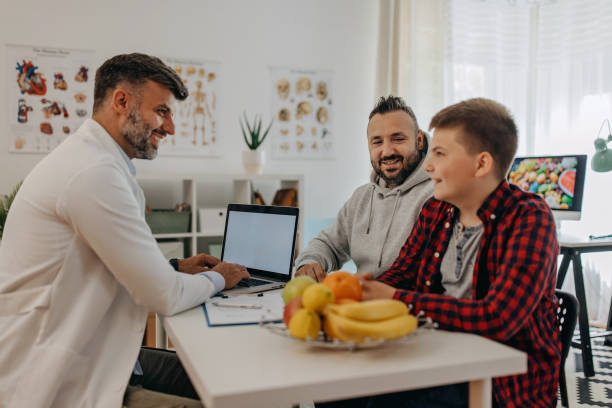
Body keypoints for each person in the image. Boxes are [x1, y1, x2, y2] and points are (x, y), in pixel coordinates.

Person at [0, 53, 250, 408]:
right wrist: (220, 278)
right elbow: (163, 297)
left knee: (225, 379)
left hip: (104, 355)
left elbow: (108, 265)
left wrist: (176, 268)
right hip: (59, 379)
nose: (171, 127)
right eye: (162, 111)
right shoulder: (92, 172)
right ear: (122, 101)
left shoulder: (98, 163)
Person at [322, 98, 559, 407]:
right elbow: (400, 275)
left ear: (481, 164)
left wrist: (394, 298)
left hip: (502, 384)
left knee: (381, 401)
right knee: (333, 387)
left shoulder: (528, 218)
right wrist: (350, 295)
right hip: (436, 356)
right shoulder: (437, 210)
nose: (428, 165)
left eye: (440, 153)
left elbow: (498, 318)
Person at [294, 96, 433, 282]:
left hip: (405, 306)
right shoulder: (362, 197)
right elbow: (329, 244)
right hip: (360, 302)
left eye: (398, 139)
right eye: (377, 142)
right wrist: (310, 262)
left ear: (420, 140)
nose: (387, 151)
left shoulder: (437, 195)